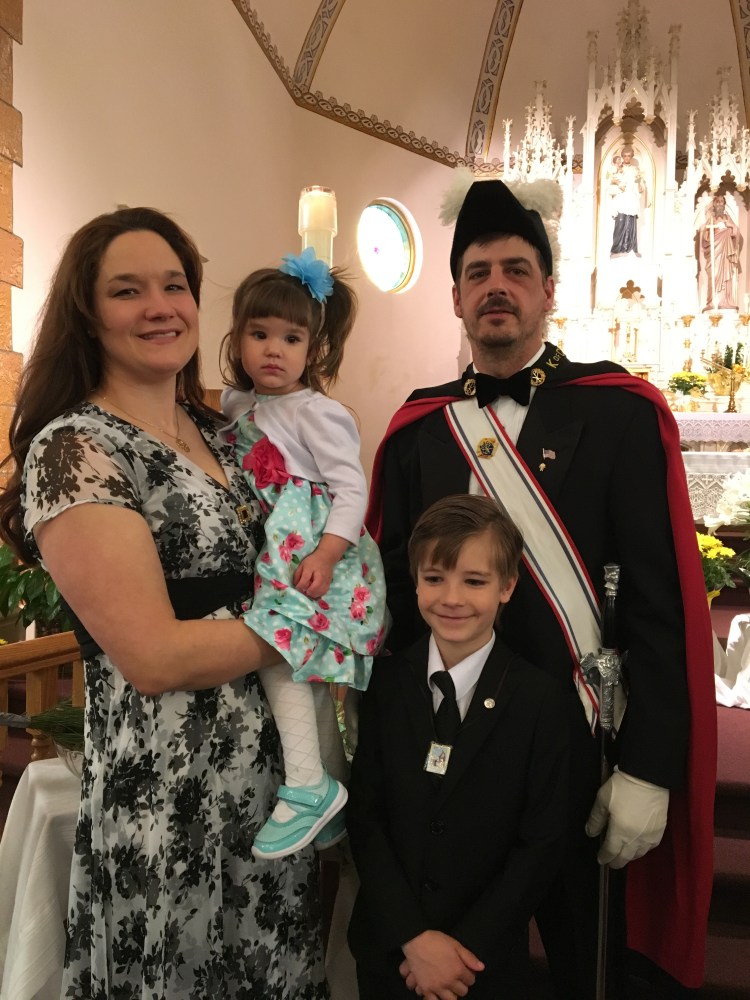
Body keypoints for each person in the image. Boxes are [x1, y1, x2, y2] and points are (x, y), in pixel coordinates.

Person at [365, 178, 716, 998]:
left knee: (587, 969)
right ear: (455, 297)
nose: (497, 287)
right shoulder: (421, 428)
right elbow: (394, 602)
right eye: (478, 272)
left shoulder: (620, 414)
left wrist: (649, 767)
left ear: (549, 290)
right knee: (456, 970)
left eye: (516, 270)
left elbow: (659, 605)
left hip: (579, 749)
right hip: (450, 753)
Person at [0, 208, 331, 998]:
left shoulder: (223, 431)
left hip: (273, 785)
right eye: (127, 290)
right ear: (88, 313)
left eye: (175, 286)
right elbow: (152, 656)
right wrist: (307, 628)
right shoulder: (77, 447)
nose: (160, 307)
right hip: (169, 788)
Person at [347, 494, 570, 999]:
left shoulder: (540, 700)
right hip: (391, 953)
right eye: (434, 578)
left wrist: (461, 949)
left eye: (474, 581)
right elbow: (367, 818)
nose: (451, 598)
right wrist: (413, 937)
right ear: (415, 581)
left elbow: (541, 842)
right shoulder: (385, 683)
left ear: (507, 586)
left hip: (482, 963)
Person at [219, 249, 386, 861]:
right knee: (303, 667)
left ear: (313, 348)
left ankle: (309, 786)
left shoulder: (320, 412)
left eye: (291, 338)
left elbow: (353, 489)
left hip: (313, 547)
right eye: (259, 334)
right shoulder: (236, 404)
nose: (274, 350)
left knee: (280, 645)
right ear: (237, 338)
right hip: (275, 541)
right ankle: (332, 789)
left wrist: (328, 552)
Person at [701, 193, 740, 311]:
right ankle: (713, 301)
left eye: (721, 202)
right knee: (714, 275)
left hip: (725, 253)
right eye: (717, 202)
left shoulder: (728, 219)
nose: (719, 204)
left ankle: (725, 301)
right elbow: (705, 238)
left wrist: (728, 226)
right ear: (714, 204)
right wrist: (712, 231)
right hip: (714, 254)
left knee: (726, 275)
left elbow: (735, 232)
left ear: (724, 204)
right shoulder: (711, 220)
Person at [608, 145, 647, 257]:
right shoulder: (618, 168)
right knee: (620, 222)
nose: (626, 158)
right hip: (621, 199)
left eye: (629, 156)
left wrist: (639, 183)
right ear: (622, 156)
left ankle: (631, 249)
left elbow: (640, 188)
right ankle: (617, 249)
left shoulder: (635, 170)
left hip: (631, 199)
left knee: (630, 223)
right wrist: (618, 184)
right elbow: (611, 182)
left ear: (632, 157)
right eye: (624, 156)